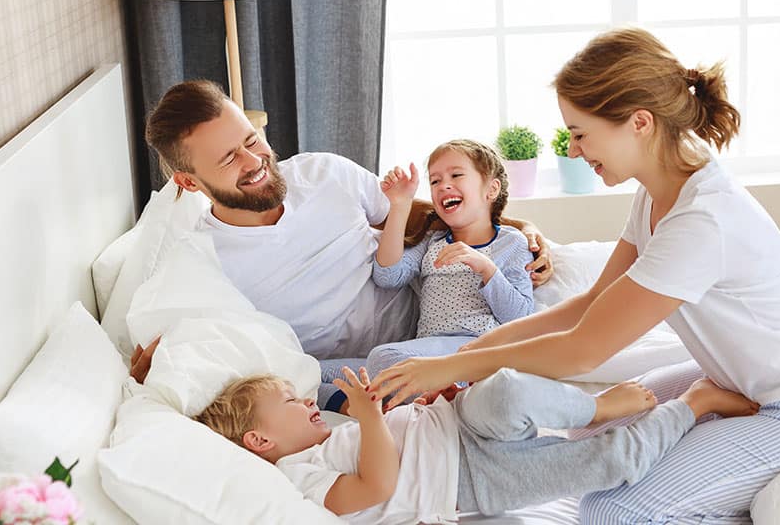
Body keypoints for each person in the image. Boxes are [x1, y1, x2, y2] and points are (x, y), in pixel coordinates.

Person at [369, 27, 780, 523]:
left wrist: (450, 369)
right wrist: (465, 354)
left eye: (580, 133)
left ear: (639, 122)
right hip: (733, 380)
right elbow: (590, 305)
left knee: (612, 513)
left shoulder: (704, 219)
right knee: (590, 428)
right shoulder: (655, 194)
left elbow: (584, 349)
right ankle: (705, 416)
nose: (571, 150)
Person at [128, 81, 554, 410]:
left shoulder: (323, 172)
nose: (254, 161)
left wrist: (511, 227)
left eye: (251, 140)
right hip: (352, 370)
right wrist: (160, 368)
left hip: (434, 325)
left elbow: (412, 213)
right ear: (187, 182)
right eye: (227, 159)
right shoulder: (201, 261)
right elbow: (178, 354)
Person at [194, 367, 759, 523]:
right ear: (259, 439)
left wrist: (395, 409)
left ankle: (598, 405)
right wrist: (367, 418)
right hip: (471, 485)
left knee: (507, 392)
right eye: (290, 403)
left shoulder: (324, 438)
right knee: (612, 464)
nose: (304, 401)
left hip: (453, 422)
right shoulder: (294, 485)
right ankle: (697, 403)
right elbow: (377, 486)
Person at [365, 139, 534, 386]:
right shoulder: (432, 242)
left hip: (476, 349)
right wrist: (400, 205)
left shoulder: (512, 243)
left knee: (383, 358)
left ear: (491, 189)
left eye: (456, 175)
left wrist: (486, 268)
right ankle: (424, 399)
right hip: (428, 351)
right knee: (316, 373)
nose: (444, 185)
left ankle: (445, 395)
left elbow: (521, 317)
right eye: (435, 181)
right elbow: (387, 276)